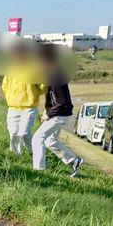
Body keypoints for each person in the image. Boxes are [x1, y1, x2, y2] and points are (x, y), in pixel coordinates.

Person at [32, 44, 83, 176]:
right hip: (61, 113)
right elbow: (54, 99)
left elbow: (60, 102)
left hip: (59, 115)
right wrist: (46, 111)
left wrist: (48, 114)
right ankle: (74, 160)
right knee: (50, 141)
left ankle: (39, 172)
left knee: (37, 139)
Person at [1, 44, 43, 155]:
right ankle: (16, 156)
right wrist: (10, 97)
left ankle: (35, 153)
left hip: (29, 107)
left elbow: (42, 87)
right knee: (13, 133)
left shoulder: (34, 69)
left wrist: (33, 95)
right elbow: (5, 86)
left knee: (23, 133)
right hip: (13, 107)